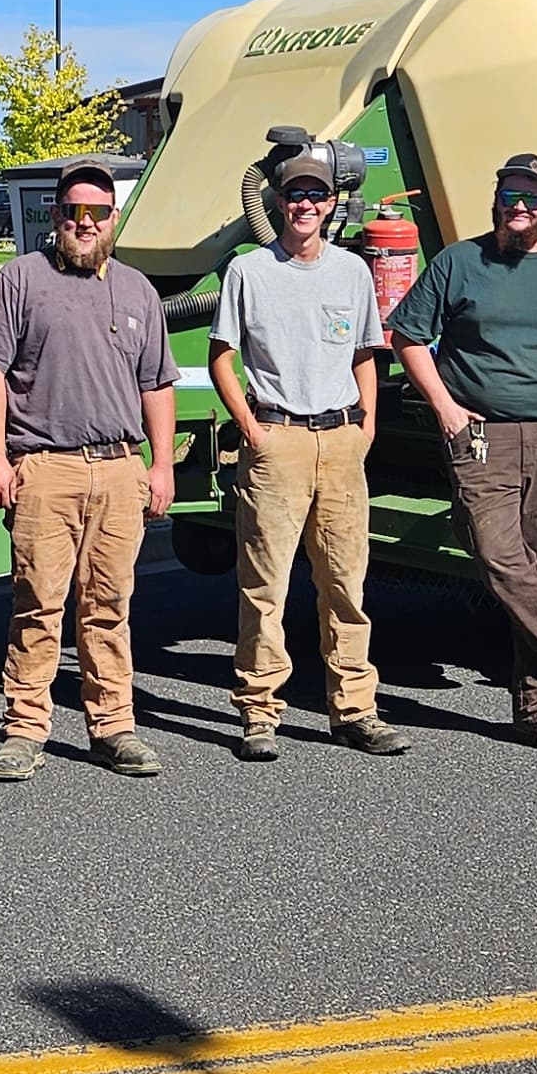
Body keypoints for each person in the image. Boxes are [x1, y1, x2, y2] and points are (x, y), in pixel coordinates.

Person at [389, 154, 537, 755]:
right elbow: (408, 336)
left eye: (532, 198)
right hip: (480, 434)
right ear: (496, 200)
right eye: (510, 196)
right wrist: (446, 408)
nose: (519, 207)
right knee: (497, 556)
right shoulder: (459, 263)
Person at [0, 159, 178, 783]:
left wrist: (161, 465)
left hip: (118, 470)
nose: (85, 223)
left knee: (108, 605)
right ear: (56, 216)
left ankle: (113, 727)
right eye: (73, 211)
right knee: (38, 604)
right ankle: (24, 730)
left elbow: (156, 384)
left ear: (113, 218)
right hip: (44, 468)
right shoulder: (20, 279)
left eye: (98, 213)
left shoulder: (138, 290)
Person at [209, 143, 406, 762]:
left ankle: (355, 710)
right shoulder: (249, 271)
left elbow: (365, 354)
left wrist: (366, 427)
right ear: (277, 202)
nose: (305, 205)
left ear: (330, 205)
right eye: (295, 194)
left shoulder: (351, 271)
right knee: (264, 587)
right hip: (278, 442)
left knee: (346, 584)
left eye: (316, 195)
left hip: (341, 441)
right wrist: (251, 427)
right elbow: (222, 357)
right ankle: (259, 712)